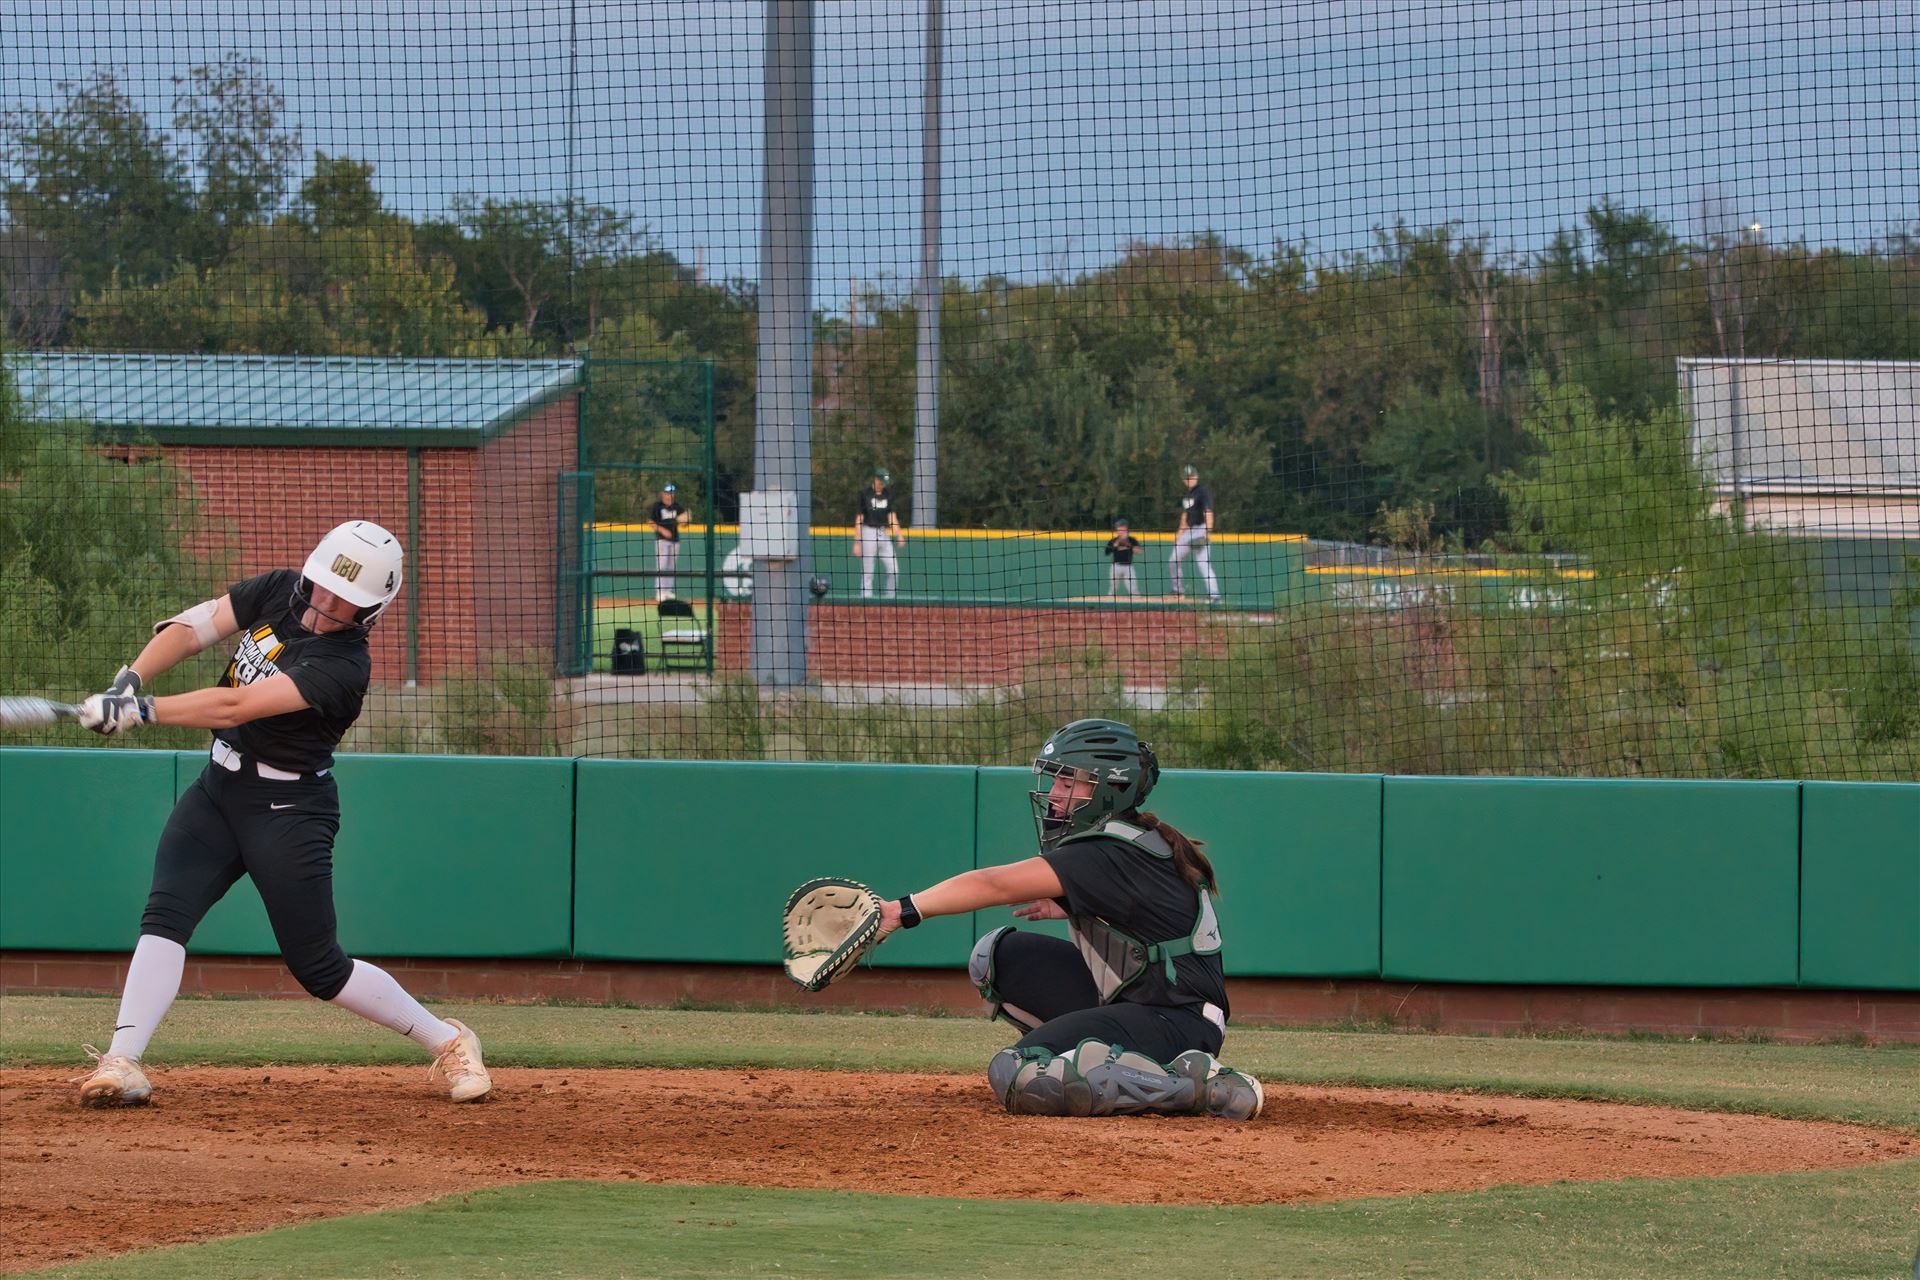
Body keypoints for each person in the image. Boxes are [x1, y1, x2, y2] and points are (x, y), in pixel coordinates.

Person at [69, 521, 492, 1108]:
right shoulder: (278, 589)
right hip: (218, 791)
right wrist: (129, 678)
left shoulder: (344, 667)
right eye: (322, 587)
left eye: (346, 602)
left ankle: (448, 1041)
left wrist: (141, 709)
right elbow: (193, 627)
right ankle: (123, 1062)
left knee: (318, 967)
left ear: (371, 611)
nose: (326, 605)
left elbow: (238, 703)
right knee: (164, 916)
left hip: (288, 810)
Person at [873, 718, 1262, 1120]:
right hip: (1145, 1004)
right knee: (998, 956)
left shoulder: (1107, 850)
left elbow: (994, 883)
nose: (1055, 794)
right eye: (1056, 781)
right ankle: (1087, 1061)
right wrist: (1077, 905)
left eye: (1069, 783)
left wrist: (899, 911)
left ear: (1109, 787)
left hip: (1177, 1024)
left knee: (1018, 1073)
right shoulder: (1123, 839)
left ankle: (1197, 1086)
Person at [1169, 464, 1221, 603]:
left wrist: (1207, 532)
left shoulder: (1203, 492)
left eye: (1191, 476)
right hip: (1188, 532)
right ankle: (1178, 590)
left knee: (1203, 564)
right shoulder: (1188, 495)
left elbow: (1208, 512)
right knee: (1173, 560)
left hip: (1200, 530)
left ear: (1196, 476)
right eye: (1186, 477)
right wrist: (1180, 532)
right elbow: (1185, 515)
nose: (1189, 479)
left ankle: (1214, 595)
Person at [853, 468, 904, 600]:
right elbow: (859, 518)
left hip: (884, 533)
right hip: (868, 532)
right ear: (876, 479)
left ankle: (890, 600)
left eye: (885, 482)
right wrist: (857, 542)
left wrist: (898, 534)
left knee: (893, 570)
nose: (883, 484)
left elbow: (892, 516)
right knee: (868, 571)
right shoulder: (865, 494)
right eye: (881, 481)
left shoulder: (888, 494)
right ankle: (866, 601)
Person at [649, 481, 688, 600]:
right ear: (662, 494)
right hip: (662, 540)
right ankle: (659, 592)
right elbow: (651, 522)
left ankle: (668, 591)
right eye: (667, 493)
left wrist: (686, 521)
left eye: (671, 493)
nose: (669, 495)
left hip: (675, 540)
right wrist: (662, 530)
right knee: (662, 566)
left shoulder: (677, 507)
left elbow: (684, 522)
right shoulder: (657, 506)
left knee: (671, 567)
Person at [1103, 519, 1142, 597]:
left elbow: (1139, 551)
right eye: (1119, 529)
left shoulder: (1131, 540)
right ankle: (1109, 603)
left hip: (1128, 567)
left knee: (1133, 588)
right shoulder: (1114, 540)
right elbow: (1106, 552)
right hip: (1116, 566)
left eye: (1123, 529)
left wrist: (1129, 545)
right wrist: (1115, 545)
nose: (1121, 531)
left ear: (1126, 529)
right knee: (1113, 588)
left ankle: (1137, 602)